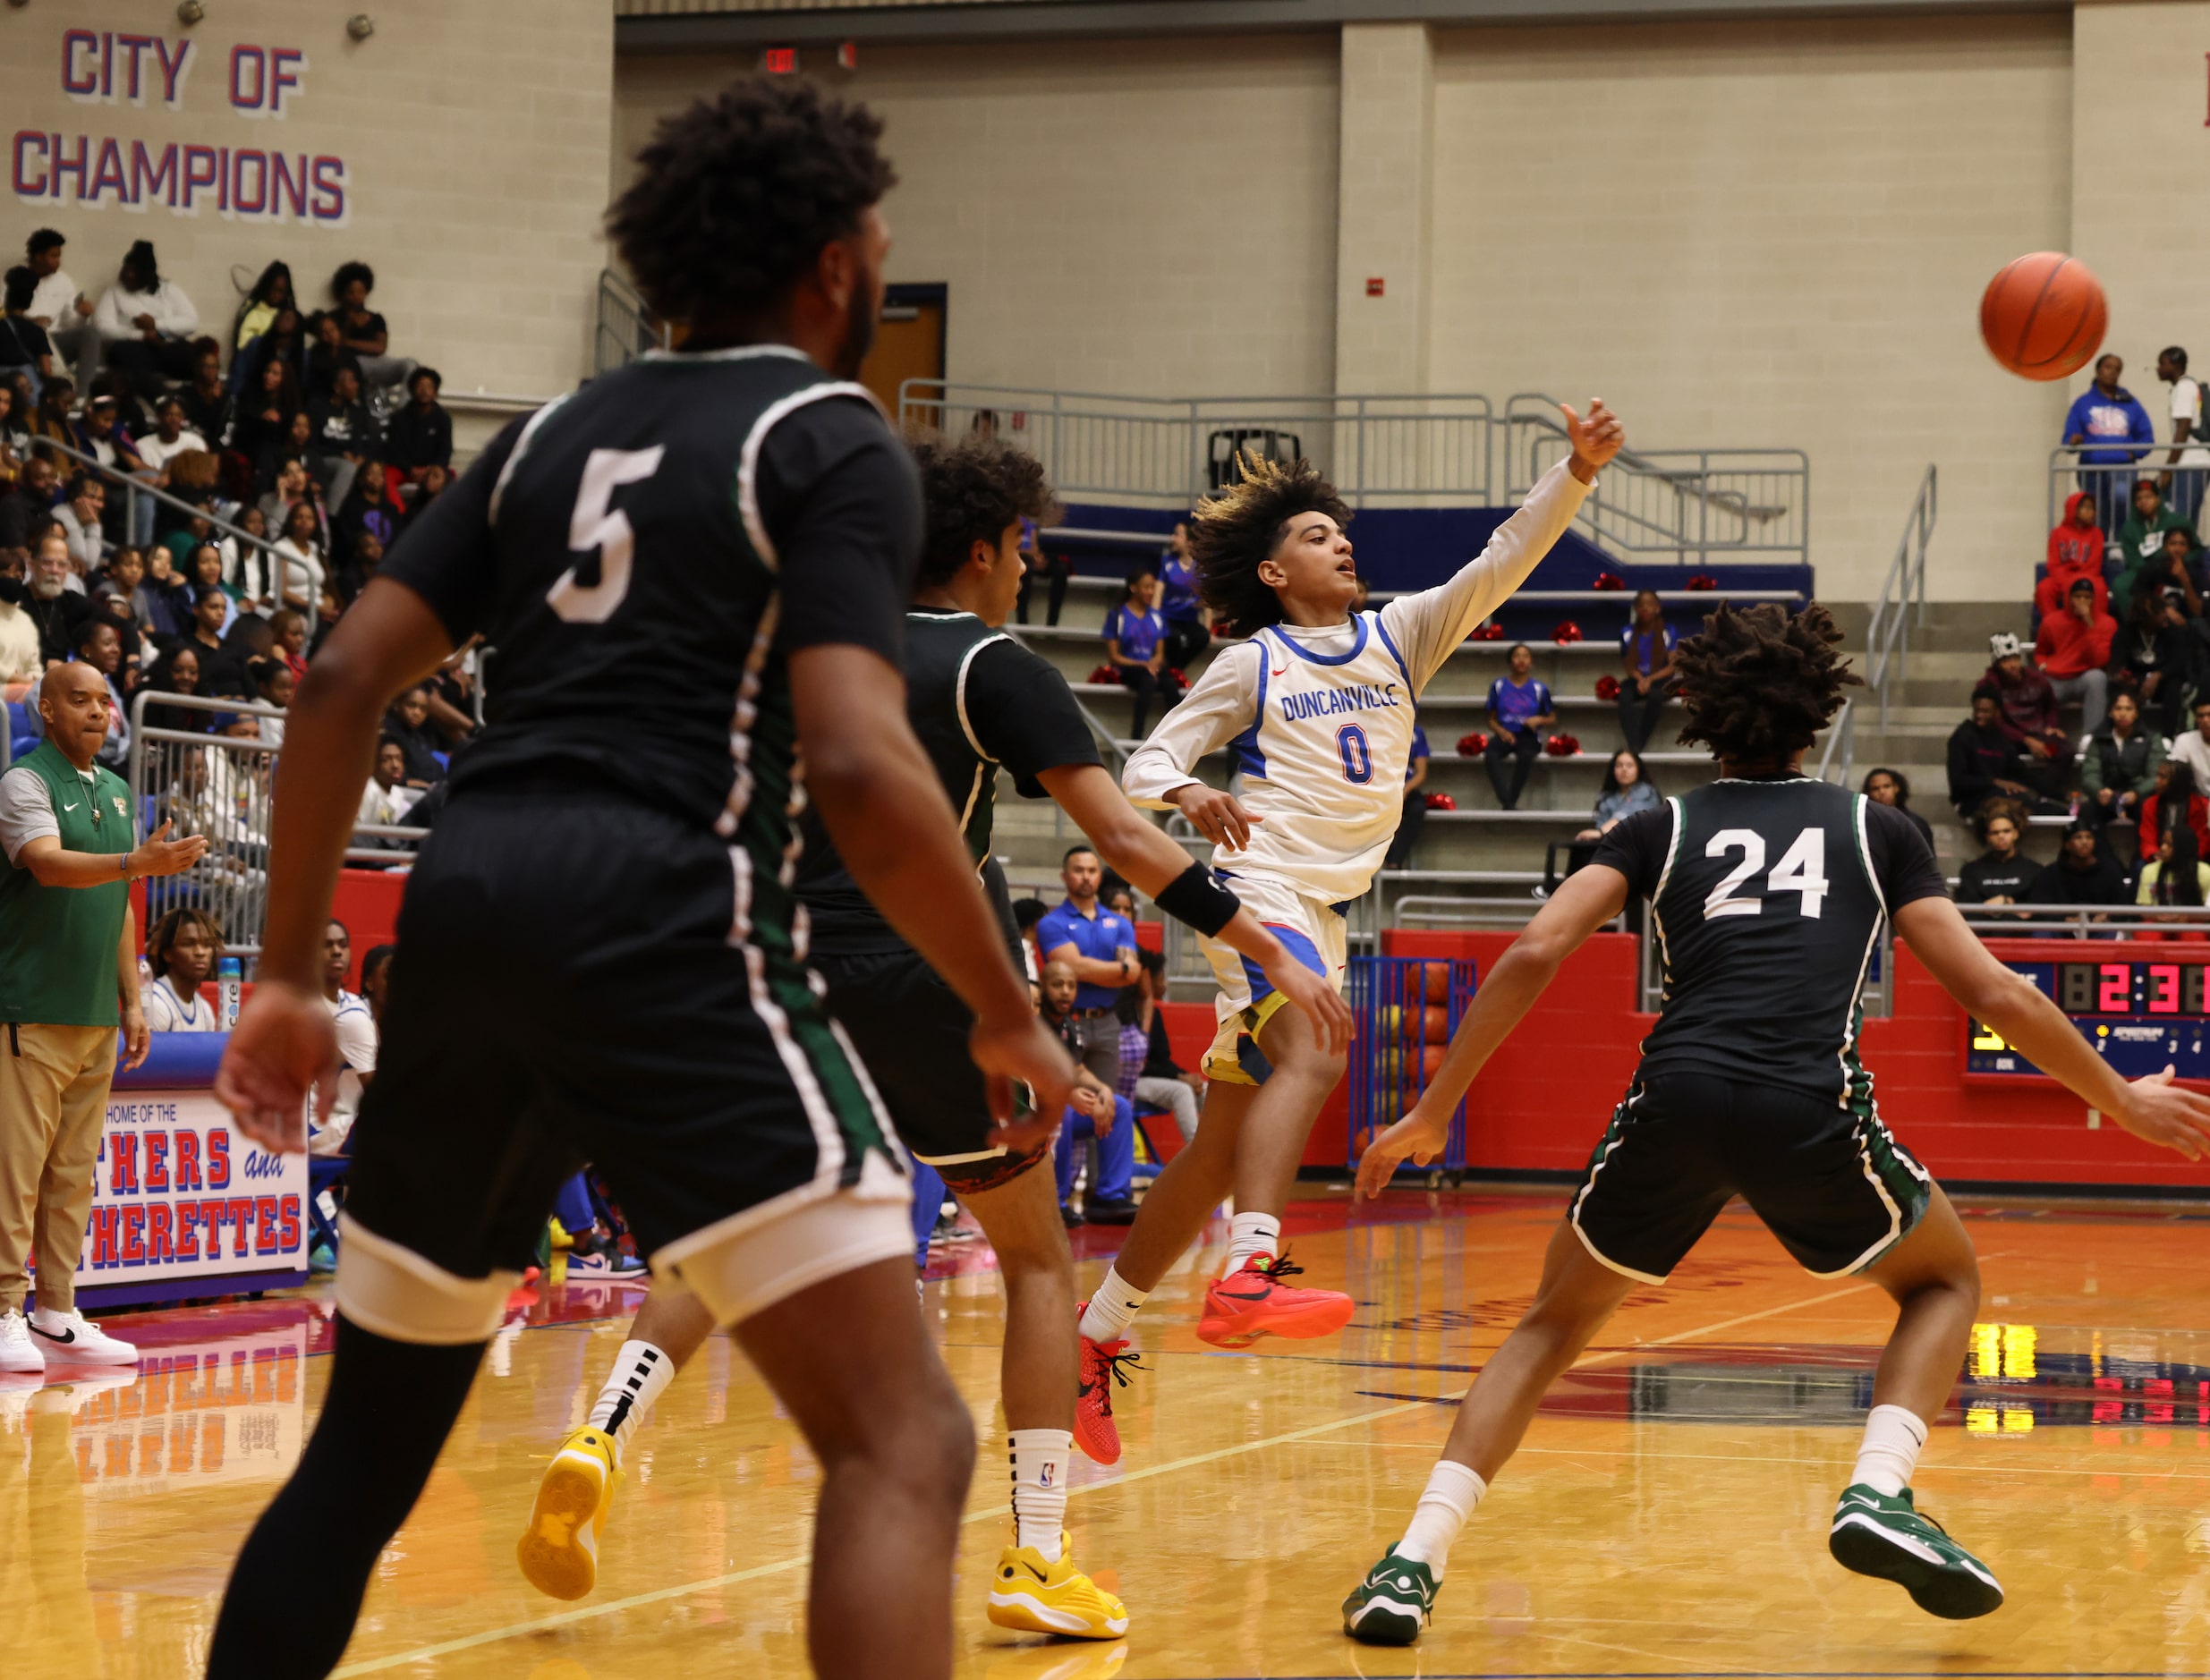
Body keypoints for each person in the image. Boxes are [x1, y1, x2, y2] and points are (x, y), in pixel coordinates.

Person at [201, 77, 1077, 1680]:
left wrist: (289, 975)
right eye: (878, 239)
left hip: (467, 904)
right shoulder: (831, 439)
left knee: (357, 1468)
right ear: (833, 267)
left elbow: (335, 688)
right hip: (667, 906)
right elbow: (864, 769)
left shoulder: (546, 434)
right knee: (902, 1442)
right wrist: (1005, 1009)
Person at [1339, 600, 2210, 1646]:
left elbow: (1530, 951)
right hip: (1807, 1103)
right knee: (1943, 1280)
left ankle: (1408, 1565)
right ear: (1819, 711)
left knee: (1549, 1328)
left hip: (1677, 1096)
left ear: (1703, 715)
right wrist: (2119, 1098)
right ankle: (1878, 1491)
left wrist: (1434, 1108)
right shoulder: (1872, 827)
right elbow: (1998, 995)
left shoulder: (1656, 826)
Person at [1089, 401, 1618, 1381]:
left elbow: (1502, 558)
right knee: (1317, 1044)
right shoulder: (1255, 658)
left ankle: (1097, 1331)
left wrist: (1575, 474)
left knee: (1218, 1149)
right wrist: (1191, 789)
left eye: (1342, 533)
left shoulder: (1399, 634)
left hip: (1324, 904)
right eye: (1315, 536)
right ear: (1273, 573)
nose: (1341, 545)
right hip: (1260, 880)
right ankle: (1248, 1269)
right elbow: (1144, 763)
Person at [0, 663, 206, 1373]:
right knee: (15, 1171)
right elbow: (48, 865)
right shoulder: (25, 783)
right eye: (78, 701)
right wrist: (133, 859)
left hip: (94, 1015)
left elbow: (119, 904)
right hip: (29, 1005)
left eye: (103, 702)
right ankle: (1, 1310)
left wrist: (131, 996)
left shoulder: (117, 792)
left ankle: (56, 1310)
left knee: (74, 1173)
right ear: (46, 712)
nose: (96, 712)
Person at [1037, 844, 1142, 1096]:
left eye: (1092, 870)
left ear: (1099, 876)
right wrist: (1120, 968)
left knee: (1106, 1100)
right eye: (1079, 870)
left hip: (1108, 1021)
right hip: (1065, 1020)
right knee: (1062, 1098)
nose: (1086, 876)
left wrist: (1101, 970)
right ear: (1064, 876)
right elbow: (1073, 968)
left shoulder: (1119, 923)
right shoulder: (1051, 923)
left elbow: (1133, 974)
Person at [2065, 353, 2156, 540]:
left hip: (2122, 467)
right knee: (2097, 511)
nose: (2113, 372)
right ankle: (2100, 549)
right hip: (2091, 468)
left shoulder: (2130, 402)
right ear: (2098, 370)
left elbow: (2147, 436)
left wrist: (2134, 452)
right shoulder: (2083, 403)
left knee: (2122, 497)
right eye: (2108, 367)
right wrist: (2073, 441)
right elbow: (2068, 437)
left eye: (2117, 369)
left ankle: (2122, 544)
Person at [93, 241, 199, 400]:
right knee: (126, 361)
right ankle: (165, 399)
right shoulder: (114, 291)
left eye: (134, 272)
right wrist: (141, 335)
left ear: (148, 275)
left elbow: (191, 322)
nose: (129, 275)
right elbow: (102, 327)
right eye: (126, 270)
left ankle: (191, 402)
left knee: (198, 360)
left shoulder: (167, 289)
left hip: (164, 342)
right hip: (133, 345)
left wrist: (156, 325)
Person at [314, 920, 378, 1159]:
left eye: (343, 944)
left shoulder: (355, 1004)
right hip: (316, 1127)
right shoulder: (300, 1007)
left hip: (349, 1118)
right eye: (327, 945)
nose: (336, 951)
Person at [1982, 632, 2071, 783]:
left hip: (2040, 738)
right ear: (1996, 664)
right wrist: (2025, 740)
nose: (2013, 665)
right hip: (2011, 742)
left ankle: (2044, 793)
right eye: (2006, 660)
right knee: (1994, 754)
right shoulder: (1988, 686)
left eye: (2016, 658)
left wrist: (2051, 726)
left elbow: (2051, 704)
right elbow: (1995, 721)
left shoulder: (2036, 679)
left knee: (2065, 752)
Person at [2034, 575, 2115, 736]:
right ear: (2069, 598)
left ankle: (2091, 740)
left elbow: (2100, 660)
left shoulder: (2107, 623)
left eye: (2087, 597)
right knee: (2035, 686)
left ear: (2094, 599)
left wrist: (2089, 624)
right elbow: (2041, 651)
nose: (2082, 601)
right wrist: (2043, 665)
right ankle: (2041, 737)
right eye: (2077, 596)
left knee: (2098, 678)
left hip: (2083, 677)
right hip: (2056, 678)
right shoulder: (2051, 621)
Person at [1102, 564, 1177, 739]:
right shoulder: (1118, 615)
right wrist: (1143, 664)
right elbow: (1114, 657)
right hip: (1129, 668)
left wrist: (1152, 664)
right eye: (1146, 587)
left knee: (1169, 684)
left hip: (1151, 668)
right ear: (1133, 588)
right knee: (1147, 681)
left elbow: (1160, 654)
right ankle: (1136, 737)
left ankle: (1177, 734)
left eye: (1153, 587)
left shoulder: (1157, 616)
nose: (1151, 591)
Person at [2110, 588, 2193, 737]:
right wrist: (2123, 677)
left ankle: (2169, 738)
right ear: (2144, 619)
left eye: (2163, 611)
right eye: (2158, 613)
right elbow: (2117, 663)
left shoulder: (2173, 631)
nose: (2164, 616)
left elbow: (2180, 662)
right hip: (2136, 680)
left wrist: (2158, 675)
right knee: (2118, 689)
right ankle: (2127, 736)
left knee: (2174, 686)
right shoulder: (2126, 633)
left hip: (2165, 680)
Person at [2081, 688, 2162, 842]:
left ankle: (2145, 857)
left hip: (2139, 797)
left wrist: (2137, 793)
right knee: (2087, 811)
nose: (2123, 713)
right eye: (2118, 708)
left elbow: (2155, 776)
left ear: (2136, 713)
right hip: (2108, 796)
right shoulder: (2099, 739)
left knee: (2151, 809)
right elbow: (2090, 774)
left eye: (2129, 709)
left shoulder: (2151, 739)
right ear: (2110, 712)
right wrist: (2099, 791)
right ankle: (2100, 858)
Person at [1483, 641, 1557, 810]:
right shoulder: (1499, 686)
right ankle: (1506, 800)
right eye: (1517, 656)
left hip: (1528, 735)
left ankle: (1511, 801)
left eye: (1525, 656)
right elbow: (1491, 719)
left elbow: (1552, 718)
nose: (1521, 660)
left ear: (1531, 662)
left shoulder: (1539, 688)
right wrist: (1501, 731)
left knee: (1525, 756)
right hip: (1505, 733)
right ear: (1510, 661)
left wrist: (1539, 720)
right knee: (1490, 755)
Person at [328, 261, 414, 399]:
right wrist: (348, 324)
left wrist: (349, 342)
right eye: (351, 292)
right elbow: (337, 343)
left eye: (360, 291)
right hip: (352, 364)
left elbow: (380, 347)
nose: (356, 296)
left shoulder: (376, 318)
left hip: (377, 363)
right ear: (344, 294)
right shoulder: (334, 317)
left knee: (410, 364)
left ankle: (404, 407)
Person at [22, 229, 95, 388]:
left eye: (59, 256)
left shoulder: (64, 281)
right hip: (29, 344)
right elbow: (6, 316)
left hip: (57, 339)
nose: (58, 261)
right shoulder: (17, 279)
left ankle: (82, 396)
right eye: (53, 256)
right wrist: (30, 321)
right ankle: (63, 384)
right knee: (39, 330)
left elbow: (70, 323)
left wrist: (82, 315)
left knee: (90, 332)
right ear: (38, 256)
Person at [306, 362, 375, 512]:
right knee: (348, 467)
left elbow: (358, 442)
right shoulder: (318, 408)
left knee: (372, 470)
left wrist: (361, 456)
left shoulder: (355, 412)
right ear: (337, 387)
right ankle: (331, 515)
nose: (356, 385)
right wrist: (340, 454)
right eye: (351, 381)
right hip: (323, 458)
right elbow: (312, 445)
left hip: (348, 461)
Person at [142, 906, 223, 1031]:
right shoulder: (156, 1005)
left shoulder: (204, 1009)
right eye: (188, 944)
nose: (200, 952)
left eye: (207, 945)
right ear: (167, 954)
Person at [1616, 589, 1677, 751]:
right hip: (1638, 678)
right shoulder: (1626, 632)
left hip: (1660, 679)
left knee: (1656, 696)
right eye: (1641, 605)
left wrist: (1650, 680)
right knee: (1624, 694)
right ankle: (1633, 741)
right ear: (1635, 609)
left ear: (1657, 608)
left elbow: (1672, 666)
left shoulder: (1668, 631)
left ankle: (1639, 745)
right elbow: (1628, 665)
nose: (1645, 608)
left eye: (1649, 604)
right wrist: (1640, 679)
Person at [2156, 346, 2209, 530]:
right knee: (2186, 521)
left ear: (2175, 364)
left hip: (2189, 464)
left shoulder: (2183, 387)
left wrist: (2169, 468)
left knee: (2178, 520)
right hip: (2197, 463)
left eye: (2162, 363)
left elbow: (2183, 428)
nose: (2158, 369)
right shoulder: (2189, 387)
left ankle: (2182, 559)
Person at [2026, 820, 2131, 908]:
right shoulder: (2051, 873)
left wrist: (2107, 916)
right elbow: (2041, 908)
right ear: (2067, 845)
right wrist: (2064, 919)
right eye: (2078, 837)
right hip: (2062, 927)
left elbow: (2122, 905)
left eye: (2089, 837)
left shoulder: (2110, 871)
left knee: (2109, 932)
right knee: (2044, 931)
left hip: (2100, 927)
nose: (2084, 842)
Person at [2114, 479, 2194, 595]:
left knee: (2195, 576)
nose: (2143, 502)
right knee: (2121, 585)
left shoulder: (2178, 521)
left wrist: (2183, 562)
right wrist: (2151, 572)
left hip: (2176, 566)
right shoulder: (2129, 528)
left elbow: (2196, 549)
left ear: (2158, 498)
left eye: (2148, 497)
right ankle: (2140, 613)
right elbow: (2133, 560)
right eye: (2139, 499)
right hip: (2142, 572)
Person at [2039, 489, 2107, 622]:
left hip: (2088, 576)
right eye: (2086, 508)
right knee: (2044, 588)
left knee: (2100, 588)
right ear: (2074, 509)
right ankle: (2053, 626)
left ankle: (2096, 626)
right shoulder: (2057, 533)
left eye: (2092, 508)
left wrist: (2076, 580)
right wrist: (2067, 580)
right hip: (2062, 576)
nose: (2091, 512)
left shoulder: (2097, 534)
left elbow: (2094, 566)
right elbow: (2053, 565)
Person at [1956, 800, 2038, 905]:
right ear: (1988, 837)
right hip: (1981, 921)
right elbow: (1967, 909)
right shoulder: (1971, 871)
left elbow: (2036, 910)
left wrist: (2006, 901)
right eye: (1995, 832)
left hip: (2017, 922)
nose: (2001, 836)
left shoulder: (2033, 870)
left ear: (2016, 834)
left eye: (2006, 831)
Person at [381, 368, 452, 485]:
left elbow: (445, 453)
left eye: (429, 387)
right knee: (386, 478)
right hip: (403, 470)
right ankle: (397, 505)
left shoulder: (443, 419)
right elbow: (392, 452)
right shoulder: (398, 418)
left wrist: (428, 469)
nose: (424, 391)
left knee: (448, 478)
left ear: (435, 392)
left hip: (431, 470)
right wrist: (410, 469)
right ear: (411, 390)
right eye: (420, 386)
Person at [1577, 748, 1661, 842]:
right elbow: (1600, 824)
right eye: (1619, 766)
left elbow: (1625, 817)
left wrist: (1600, 833)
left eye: (1629, 766)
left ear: (1638, 769)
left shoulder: (1647, 792)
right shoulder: (1607, 797)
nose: (1624, 770)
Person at [1159, 518, 1210, 671]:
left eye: (1177, 535)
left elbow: (1206, 600)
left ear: (1189, 542)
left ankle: (1176, 670)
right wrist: (1152, 619)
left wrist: (1208, 628)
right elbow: (1157, 594)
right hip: (1168, 618)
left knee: (1202, 637)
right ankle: (1175, 671)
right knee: (1173, 638)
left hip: (1189, 620)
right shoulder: (1168, 563)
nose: (1172, 538)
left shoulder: (1200, 568)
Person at [2138, 759, 2210, 864]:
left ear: (2178, 781)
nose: (2156, 781)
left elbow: (2203, 841)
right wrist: (2155, 854)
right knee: (2139, 867)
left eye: (2163, 777)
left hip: (2192, 859)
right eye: (2157, 775)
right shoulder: (2150, 804)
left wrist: (2184, 858)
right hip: (2158, 856)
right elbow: (2147, 838)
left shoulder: (2202, 805)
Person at [1384, 718, 1432, 869]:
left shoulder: (1416, 733)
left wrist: (1404, 791)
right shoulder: (1380, 731)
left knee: (1418, 809)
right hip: (1384, 788)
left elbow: (1421, 773)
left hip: (1407, 789)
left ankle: (1395, 860)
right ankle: (1386, 856)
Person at [0, 267, 55, 388]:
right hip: (27, 396)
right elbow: (46, 370)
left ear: (8, 298)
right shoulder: (37, 332)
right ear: (29, 300)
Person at [2138, 823, 2210, 909]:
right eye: (2163, 842)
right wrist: (2161, 917)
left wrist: (2185, 918)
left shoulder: (2205, 873)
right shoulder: (2149, 871)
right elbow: (2144, 909)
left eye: (2169, 845)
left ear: (2184, 848)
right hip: (2157, 920)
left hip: (2193, 920)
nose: (2163, 848)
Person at [1860, 767, 1934, 848]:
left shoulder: (1914, 823)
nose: (1882, 792)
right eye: (1875, 788)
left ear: (1896, 788)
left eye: (1887, 786)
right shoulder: (1864, 824)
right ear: (1868, 793)